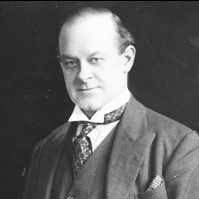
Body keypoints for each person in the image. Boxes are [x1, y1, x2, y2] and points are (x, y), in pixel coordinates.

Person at [23, 6, 199, 199]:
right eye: (71, 63)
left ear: (127, 59)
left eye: (95, 59)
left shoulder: (179, 145)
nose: (82, 75)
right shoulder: (44, 150)